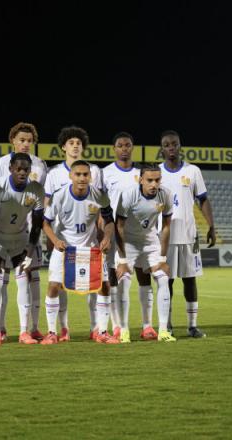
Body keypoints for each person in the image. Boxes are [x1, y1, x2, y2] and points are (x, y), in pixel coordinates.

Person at [41, 160, 119, 344]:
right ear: (71, 176)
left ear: (91, 176)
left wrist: (107, 237)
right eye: (78, 174)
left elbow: (109, 221)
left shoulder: (99, 196)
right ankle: (52, 332)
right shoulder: (60, 196)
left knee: (104, 286)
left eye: (86, 174)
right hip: (65, 248)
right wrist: (55, 241)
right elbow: (45, 222)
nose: (82, 178)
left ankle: (102, 332)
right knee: (53, 286)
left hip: (90, 248)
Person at [0, 122, 48, 341]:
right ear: (13, 140)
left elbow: (40, 210)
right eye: (21, 140)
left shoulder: (40, 165)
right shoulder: (0, 167)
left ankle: (30, 328)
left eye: (29, 140)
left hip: (26, 232)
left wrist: (32, 248)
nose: (25, 144)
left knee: (31, 278)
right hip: (1, 232)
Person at [44, 126, 104, 341]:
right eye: (71, 142)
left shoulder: (95, 171)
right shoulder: (53, 174)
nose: (75, 145)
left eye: (79, 142)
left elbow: (100, 206)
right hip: (63, 240)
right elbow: (47, 210)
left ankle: (97, 328)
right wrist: (52, 240)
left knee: (95, 285)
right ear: (63, 147)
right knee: (58, 284)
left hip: (88, 238)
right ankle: (61, 329)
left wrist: (101, 231)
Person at [159, 130, 216, 338]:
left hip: (189, 235)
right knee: (167, 281)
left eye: (174, 144)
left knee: (190, 279)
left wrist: (211, 225)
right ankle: (167, 325)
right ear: (162, 149)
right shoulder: (156, 173)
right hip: (165, 237)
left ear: (180, 146)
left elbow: (203, 199)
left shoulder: (193, 171)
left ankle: (192, 326)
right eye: (167, 144)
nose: (171, 147)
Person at [115, 164, 174, 342]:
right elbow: (119, 227)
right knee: (124, 280)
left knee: (163, 277)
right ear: (141, 180)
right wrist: (123, 259)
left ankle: (163, 331)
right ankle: (124, 330)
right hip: (129, 241)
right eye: (149, 180)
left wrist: (163, 258)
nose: (154, 184)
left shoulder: (166, 194)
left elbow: (166, 227)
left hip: (150, 240)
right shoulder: (128, 195)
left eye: (157, 180)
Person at [102, 132, 143, 339]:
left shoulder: (141, 173)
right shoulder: (106, 173)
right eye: (120, 145)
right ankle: (116, 324)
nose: (124, 148)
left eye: (128, 145)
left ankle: (146, 325)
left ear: (132, 147)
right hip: (112, 230)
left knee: (139, 278)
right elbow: (101, 203)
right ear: (114, 149)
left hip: (135, 232)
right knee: (113, 278)